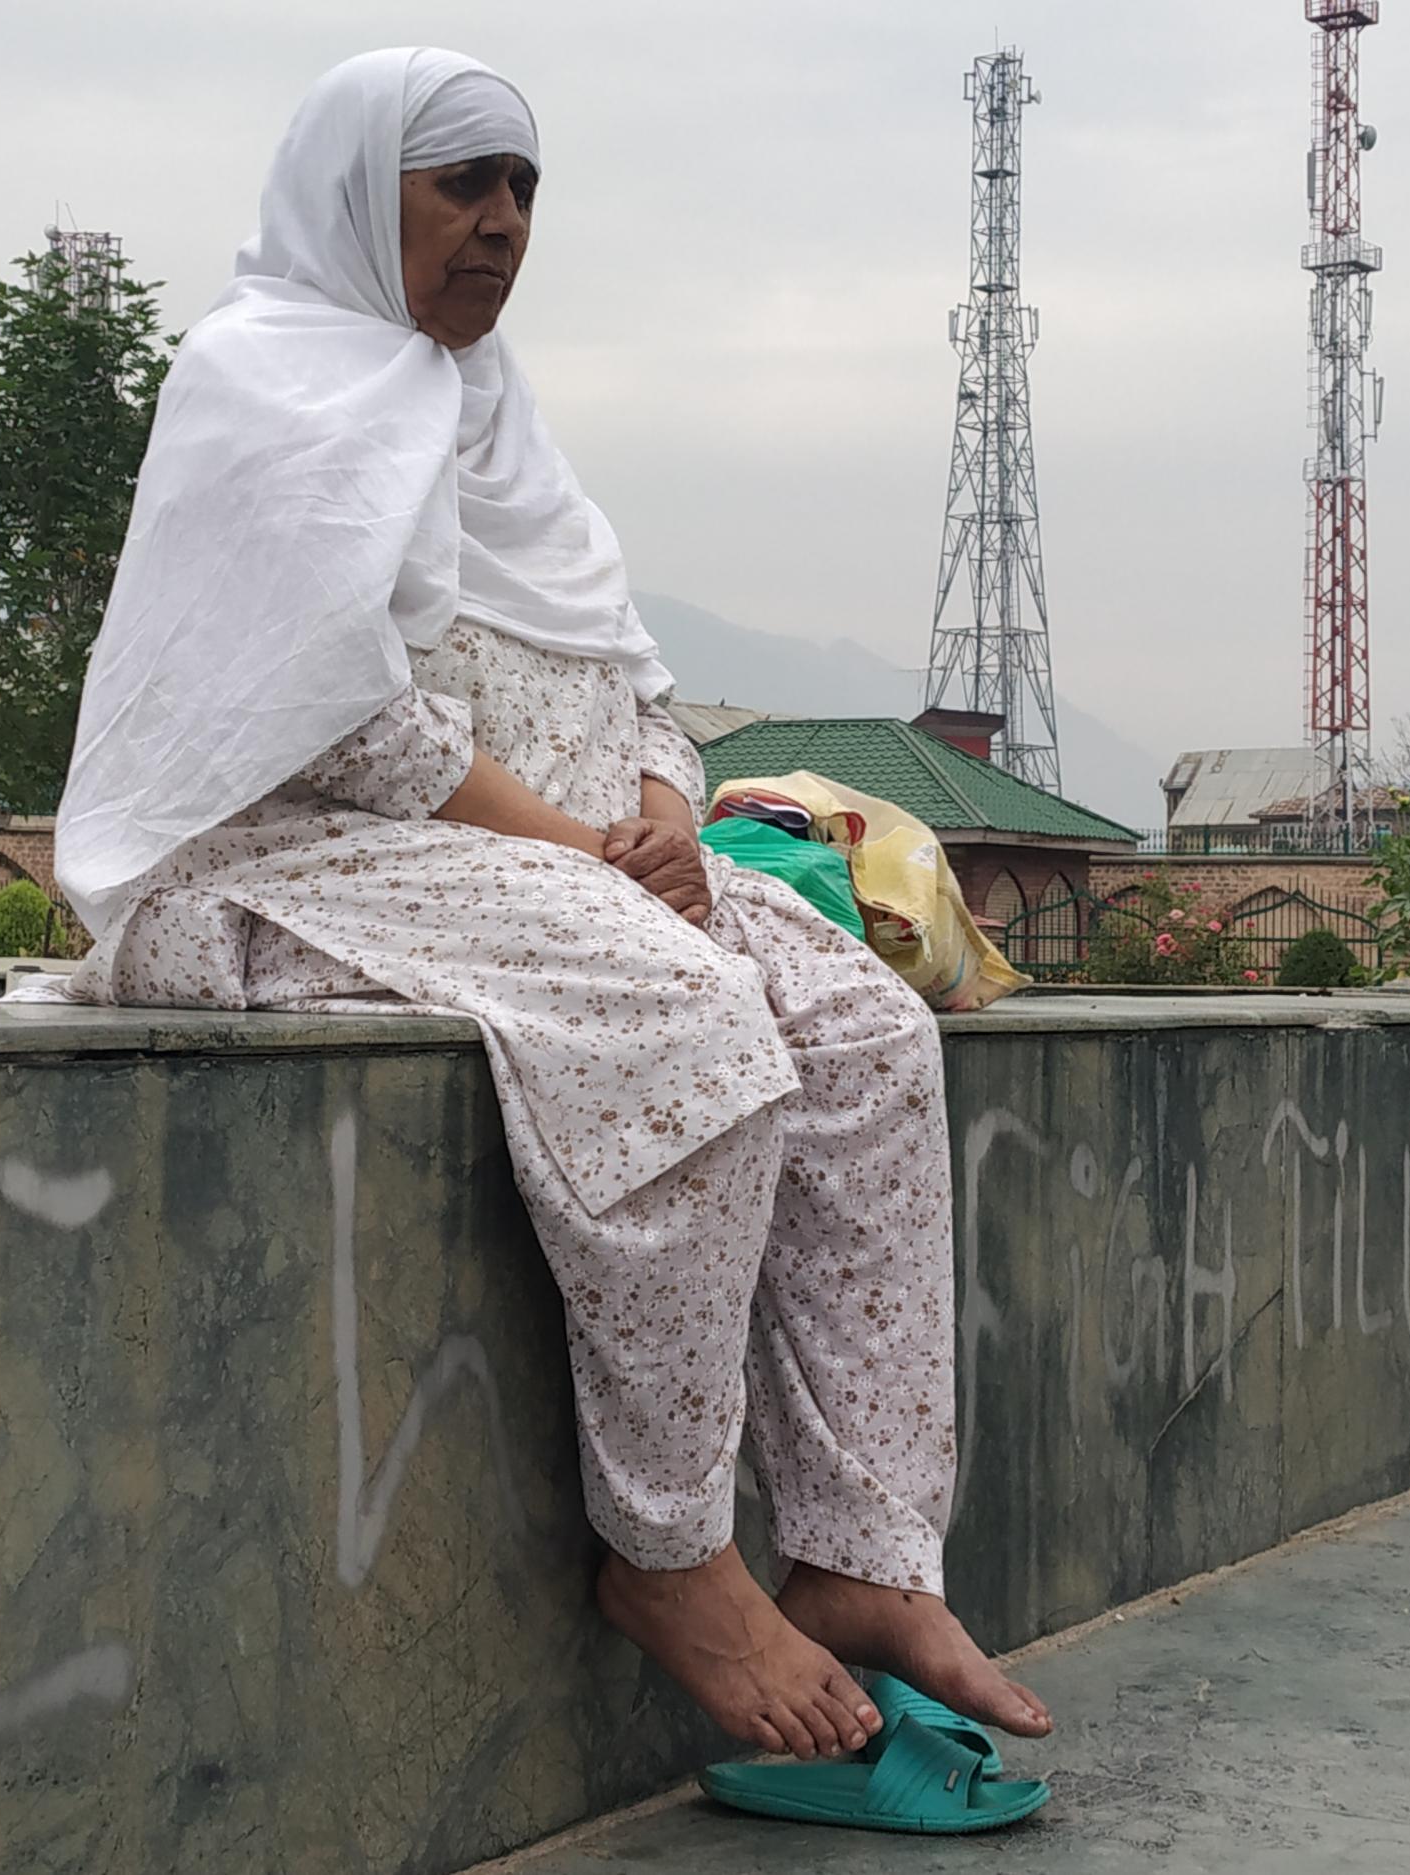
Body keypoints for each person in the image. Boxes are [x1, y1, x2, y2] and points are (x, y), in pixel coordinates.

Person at [51, 47, 1051, 1764]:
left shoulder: (491, 407)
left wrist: (662, 812)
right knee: (685, 1028)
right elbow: (342, 718)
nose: (502, 222)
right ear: (365, 192)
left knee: (866, 1030)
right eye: (462, 184)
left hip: (557, 856)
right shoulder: (266, 379)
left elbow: (629, 674)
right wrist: (586, 859)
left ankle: (865, 1556)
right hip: (313, 855)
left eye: (523, 188)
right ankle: (670, 1552)